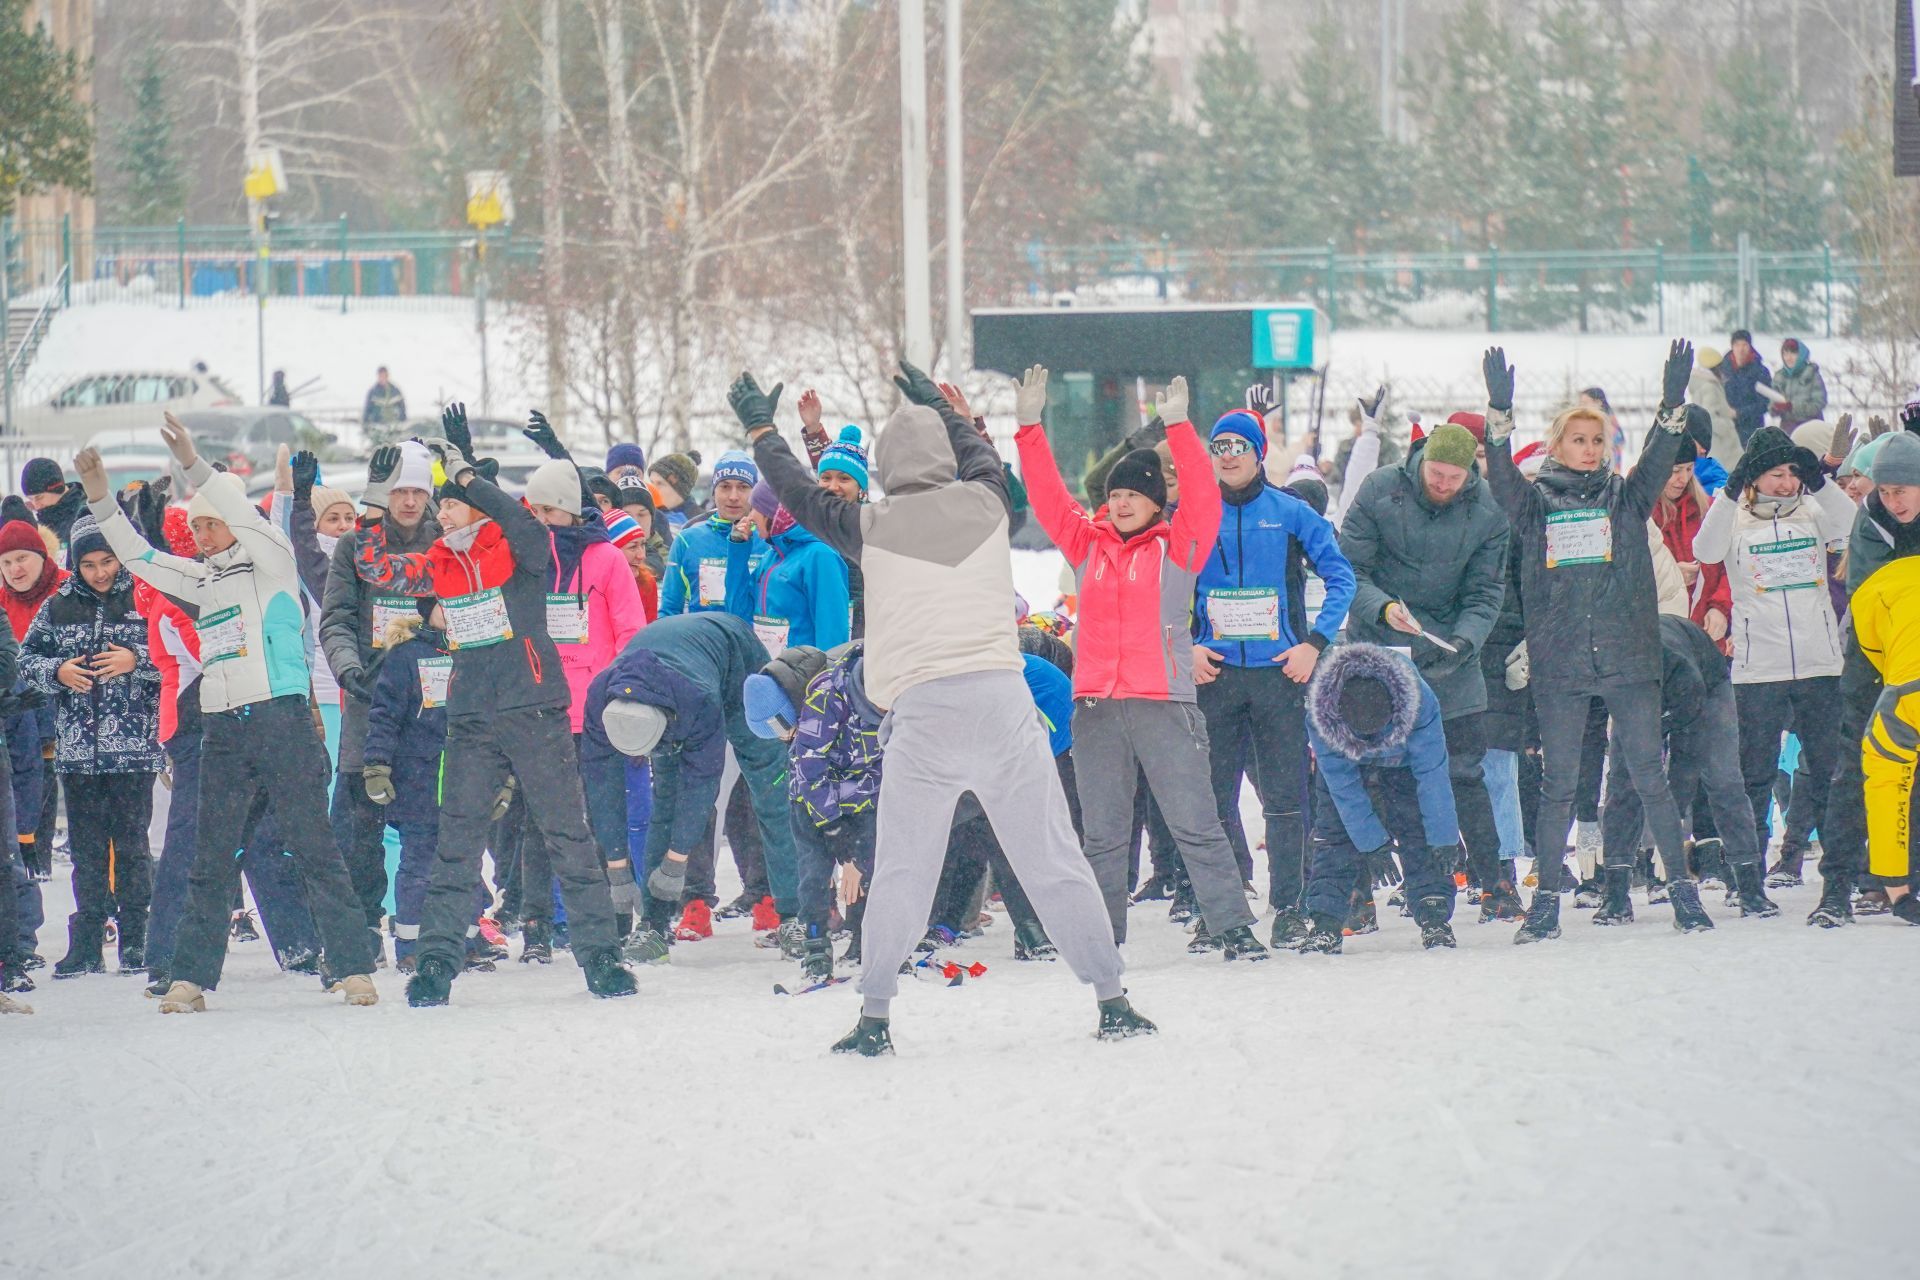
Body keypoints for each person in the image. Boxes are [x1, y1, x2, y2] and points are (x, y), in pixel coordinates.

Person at [734, 362, 1148, 1054]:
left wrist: (760, 430)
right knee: (1052, 857)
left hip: (923, 714)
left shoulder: (866, 522)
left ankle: (874, 1016)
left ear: (887, 468)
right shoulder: (989, 505)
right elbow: (983, 459)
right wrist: (942, 409)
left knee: (903, 867)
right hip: (1000, 701)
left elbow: (798, 493)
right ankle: (1111, 998)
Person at [73, 415, 379, 1013]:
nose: (205, 534)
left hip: (282, 721)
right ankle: (190, 977)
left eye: (212, 523)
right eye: (199, 526)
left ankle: (351, 966)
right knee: (210, 856)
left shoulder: (274, 561)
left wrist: (193, 463)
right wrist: (99, 497)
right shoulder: (199, 579)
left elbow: (241, 514)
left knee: (312, 846)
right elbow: (137, 556)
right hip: (222, 730)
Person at [350, 432, 636, 1006]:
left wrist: (467, 473)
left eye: (451, 503)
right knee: (456, 842)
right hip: (472, 718)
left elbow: (520, 515)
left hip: (534, 708)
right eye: (442, 503)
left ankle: (600, 956)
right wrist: (375, 503)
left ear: (480, 509)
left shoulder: (526, 551)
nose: (441, 511)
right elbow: (375, 565)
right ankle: (435, 960)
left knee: (567, 835)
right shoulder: (440, 563)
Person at [1018, 372, 1268, 960]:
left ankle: (1231, 925)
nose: (1122, 501)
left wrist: (1180, 428)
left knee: (1196, 823)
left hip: (1164, 704)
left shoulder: (1177, 547)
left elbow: (1204, 498)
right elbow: (1049, 496)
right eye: (1115, 494)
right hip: (1098, 708)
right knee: (1102, 835)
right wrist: (1029, 429)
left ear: (1156, 501)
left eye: (1134, 493)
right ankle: (1102, 935)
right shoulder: (1087, 547)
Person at [1482, 340, 1712, 941]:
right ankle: (1547, 904)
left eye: (1597, 440)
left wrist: (1671, 405)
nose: (1588, 450)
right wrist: (1498, 419)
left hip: (1629, 659)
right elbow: (1501, 477)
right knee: (1558, 786)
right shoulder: (1534, 506)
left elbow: (1660, 460)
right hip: (1560, 665)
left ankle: (1682, 893)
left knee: (1648, 776)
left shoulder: (1626, 499)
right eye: (1577, 440)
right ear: (1557, 446)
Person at [1190, 397, 1356, 945]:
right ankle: (1218, 910)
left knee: (1286, 799)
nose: (1229, 455)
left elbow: (1341, 578)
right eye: (1219, 447)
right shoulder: (1194, 515)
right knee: (1214, 801)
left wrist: (1313, 643)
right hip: (1213, 675)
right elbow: (1167, 592)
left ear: (1260, 455)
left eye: (1240, 446)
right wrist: (1185, 647)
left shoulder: (1290, 513)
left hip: (1279, 674)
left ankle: (1288, 907)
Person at [1339, 415, 1513, 918]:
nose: (1441, 484)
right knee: (1369, 772)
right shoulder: (1379, 490)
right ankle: (1358, 892)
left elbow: (1486, 592)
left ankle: (1494, 884)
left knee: (1464, 772)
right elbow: (1348, 569)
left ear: (1468, 477)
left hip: (1451, 655)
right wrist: (1380, 607)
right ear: (1420, 461)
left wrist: (1463, 639)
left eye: (1452, 478)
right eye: (1435, 473)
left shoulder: (1488, 513)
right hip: (1379, 649)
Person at [577, 612, 800, 961]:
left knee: (770, 789)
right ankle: (654, 924)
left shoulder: (698, 700)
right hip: (673, 681)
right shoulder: (599, 699)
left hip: (735, 658)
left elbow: (701, 790)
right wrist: (617, 870)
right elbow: (602, 790)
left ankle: (794, 913)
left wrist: (675, 863)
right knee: (664, 800)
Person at [1691, 425, 1855, 881]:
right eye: (1773, 474)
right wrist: (1728, 493)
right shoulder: (1735, 517)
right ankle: (1747, 869)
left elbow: (1850, 525)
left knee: (1829, 768)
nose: (1785, 483)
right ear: (1753, 478)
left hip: (1819, 662)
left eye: (1791, 473)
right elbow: (1703, 549)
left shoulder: (1814, 510)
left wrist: (1819, 480)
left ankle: (1841, 869)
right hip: (1758, 666)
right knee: (1754, 775)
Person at [18, 513, 162, 978]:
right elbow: (27, 659)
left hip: (134, 750)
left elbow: (177, 658)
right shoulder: (58, 605)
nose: (100, 572)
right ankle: (87, 940)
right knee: (87, 851)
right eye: (89, 565)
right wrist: (57, 672)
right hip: (78, 754)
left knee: (134, 846)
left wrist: (135, 660)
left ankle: (137, 937)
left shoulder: (144, 598)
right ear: (75, 566)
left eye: (107, 561)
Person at [322, 438, 439, 952]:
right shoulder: (356, 546)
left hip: (432, 703)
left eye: (417, 490)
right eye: (398, 491)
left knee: (429, 823)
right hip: (369, 698)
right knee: (359, 827)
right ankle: (360, 928)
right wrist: (348, 669)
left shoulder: (445, 542)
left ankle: (434, 924)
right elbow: (337, 619)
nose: (409, 501)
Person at [1597, 614, 1776, 924]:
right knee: (1623, 782)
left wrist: (1671, 811)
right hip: (1649, 687)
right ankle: (1615, 894)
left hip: (1706, 683)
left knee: (1724, 779)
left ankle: (1749, 887)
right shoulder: (1612, 670)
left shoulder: (1681, 674)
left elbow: (1687, 756)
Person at [1808, 432, 1920, 926]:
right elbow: (1871, 598)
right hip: (1874, 663)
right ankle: (1837, 883)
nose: (1891, 500)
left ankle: (1899, 880)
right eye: (1884, 490)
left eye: (1902, 490)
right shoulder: (1872, 522)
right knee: (1854, 769)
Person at [1298, 644, 1462, 952]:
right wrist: (1372, 842)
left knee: (1420, 828)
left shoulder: (1419, 700)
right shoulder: (1321, 714)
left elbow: (1432, 774)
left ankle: (1434, 913)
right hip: (1344, 763)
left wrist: (1444, 838)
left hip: (1405, 762)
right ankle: (1326, 922)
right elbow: (1342, 787)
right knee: (1335, 832)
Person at [1851, 550, 1920, 924]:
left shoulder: (1870, 589)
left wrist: (1899, 891)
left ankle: (1890, 885)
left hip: (1907, 690)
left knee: (1886, 778)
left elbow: (1873, 650)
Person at [725, 481, 851, 653]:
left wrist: (826, 676)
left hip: (801, 674)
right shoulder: (771, 557)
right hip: (766, 672)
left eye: (756, 508)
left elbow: (832, 631)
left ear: (773, 513)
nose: (751, 516)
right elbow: (739, 614)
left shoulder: (820, 555)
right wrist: (738, 552)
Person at [660, 450, 762, 616]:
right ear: (714, 491)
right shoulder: (687, 540)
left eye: (743, 487)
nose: (733, 496)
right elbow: (669, 610)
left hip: (754, 640)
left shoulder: (768, 541)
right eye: (725, 487)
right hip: (703, 640)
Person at [1690, 347, 1742, 471]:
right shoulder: (1710, 387)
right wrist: (1727, 425)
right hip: (1721, 445)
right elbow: (1709, 417)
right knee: (1726, 477)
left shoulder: (1700, 384)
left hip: (1713, 443)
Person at [1722, 330, 1772, 445]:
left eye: (1744, 345)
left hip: (1752, 429)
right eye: (1737, 345)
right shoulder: (1722, 369)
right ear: (1732, 347)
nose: (1741, 349)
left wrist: (1739, 413)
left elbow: (1764, 404)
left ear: (1750, 347)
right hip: (1726, 428)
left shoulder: (1761, 371)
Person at [1771, 338, 1828, 431]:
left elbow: (1819, 403)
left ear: (1801, 355)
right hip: (1787, 429)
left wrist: (1792, 406)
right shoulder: (1779, 376)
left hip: (1811, 428)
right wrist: (1775, 409)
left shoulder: (1812, 374)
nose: (1789, 358)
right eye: (1785, 354)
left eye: (1793, 353)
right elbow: (1772, 402)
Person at [647, 451, 703, 530]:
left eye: (660, 483)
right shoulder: (647, 515)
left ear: (679, 489)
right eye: (652, 482)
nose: (652, 489)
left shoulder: (700, 523)